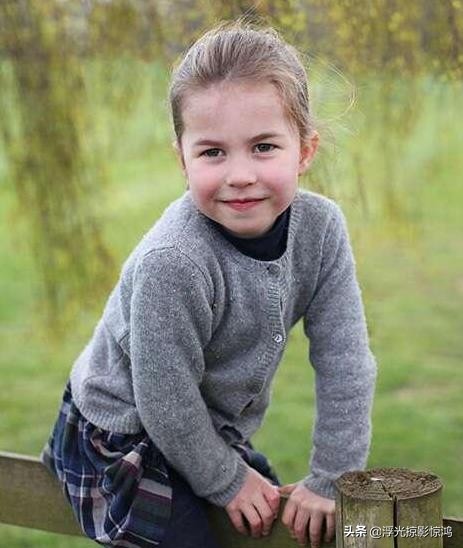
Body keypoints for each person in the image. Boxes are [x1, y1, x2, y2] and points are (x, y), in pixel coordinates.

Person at [40, 19, 376, 548]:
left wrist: (332, 478)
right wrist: (227, 479)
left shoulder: (322, 229)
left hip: (202, 425)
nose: (239, 174)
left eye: (264, 147)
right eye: (212, 152)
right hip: (122, 434)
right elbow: (164, 400)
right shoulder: (173, 261)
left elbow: (346, 362)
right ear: (182, 158)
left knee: (278, 525)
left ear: (305, 151)